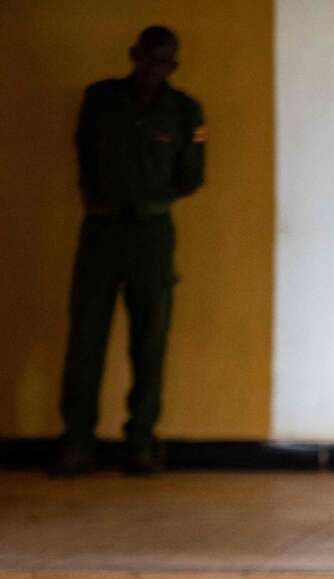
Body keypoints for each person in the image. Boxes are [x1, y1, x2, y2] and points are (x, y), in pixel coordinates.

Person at [52, 25, 206, 476]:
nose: (151, 69)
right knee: (85, 339)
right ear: (132, 54)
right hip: (101, 230)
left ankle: (140, 441)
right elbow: (82, 151)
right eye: (146, 58)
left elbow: (192, 176)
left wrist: (148, 197)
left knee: (149, 341)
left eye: (162, 62)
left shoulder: (183, 111)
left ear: (173, 66)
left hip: (152, 232)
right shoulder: (100, 100)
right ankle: (77, 442)